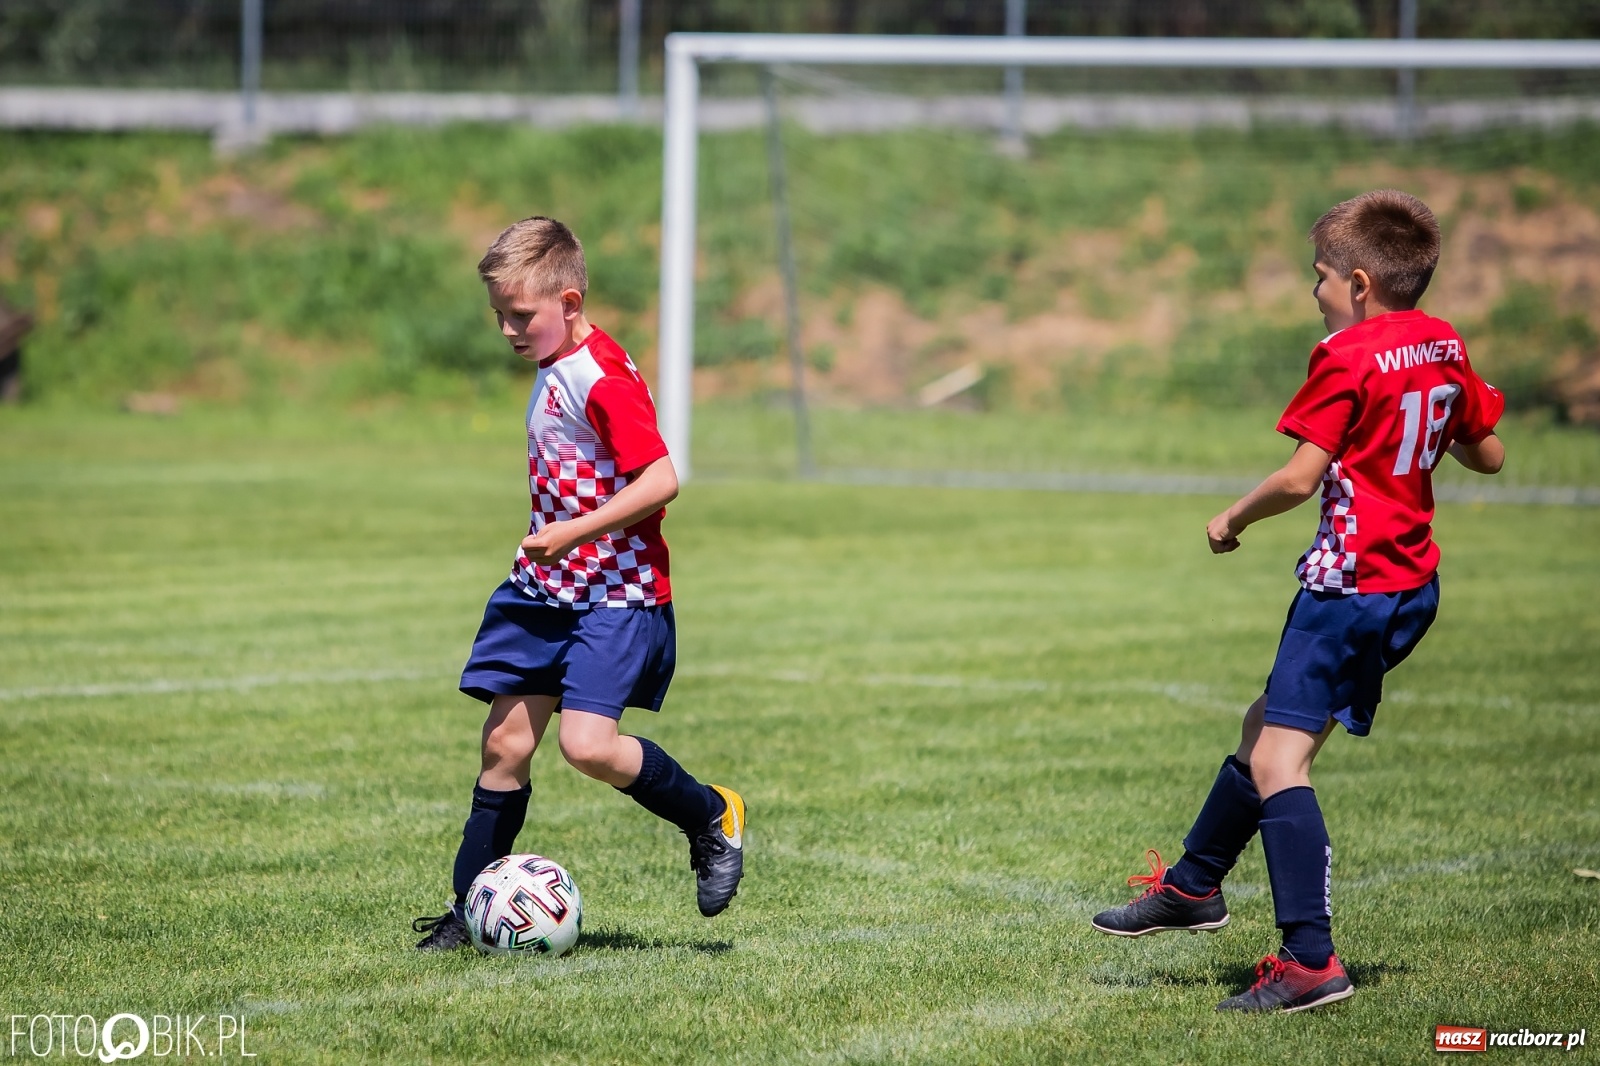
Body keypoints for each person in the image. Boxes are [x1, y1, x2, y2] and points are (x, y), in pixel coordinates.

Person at [1089, 190, 1506, 1012]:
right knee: (1264, 724)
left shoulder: (1346, 355)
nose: (1312, 293)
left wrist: (1231, 517)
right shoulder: (1443, 342)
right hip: (1408, 581)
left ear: (1357, 283)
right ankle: (1194, 887)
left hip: (1350, 586)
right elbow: (1487, 454)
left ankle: (1310, 961)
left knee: (1282, 761)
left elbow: (1298, 477)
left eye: (1317, 278)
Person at [413, 217, 746, 951]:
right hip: (544, 589)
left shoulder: (600, 374)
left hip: (614, 591)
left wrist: (571, 531)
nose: (506, 328)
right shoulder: (555, 363)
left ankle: (711, 815)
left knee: (589, 747)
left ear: (569, 301)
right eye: (498, 313)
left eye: (520, 314)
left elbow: (663, 479)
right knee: (503, 745)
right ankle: (471, 911)